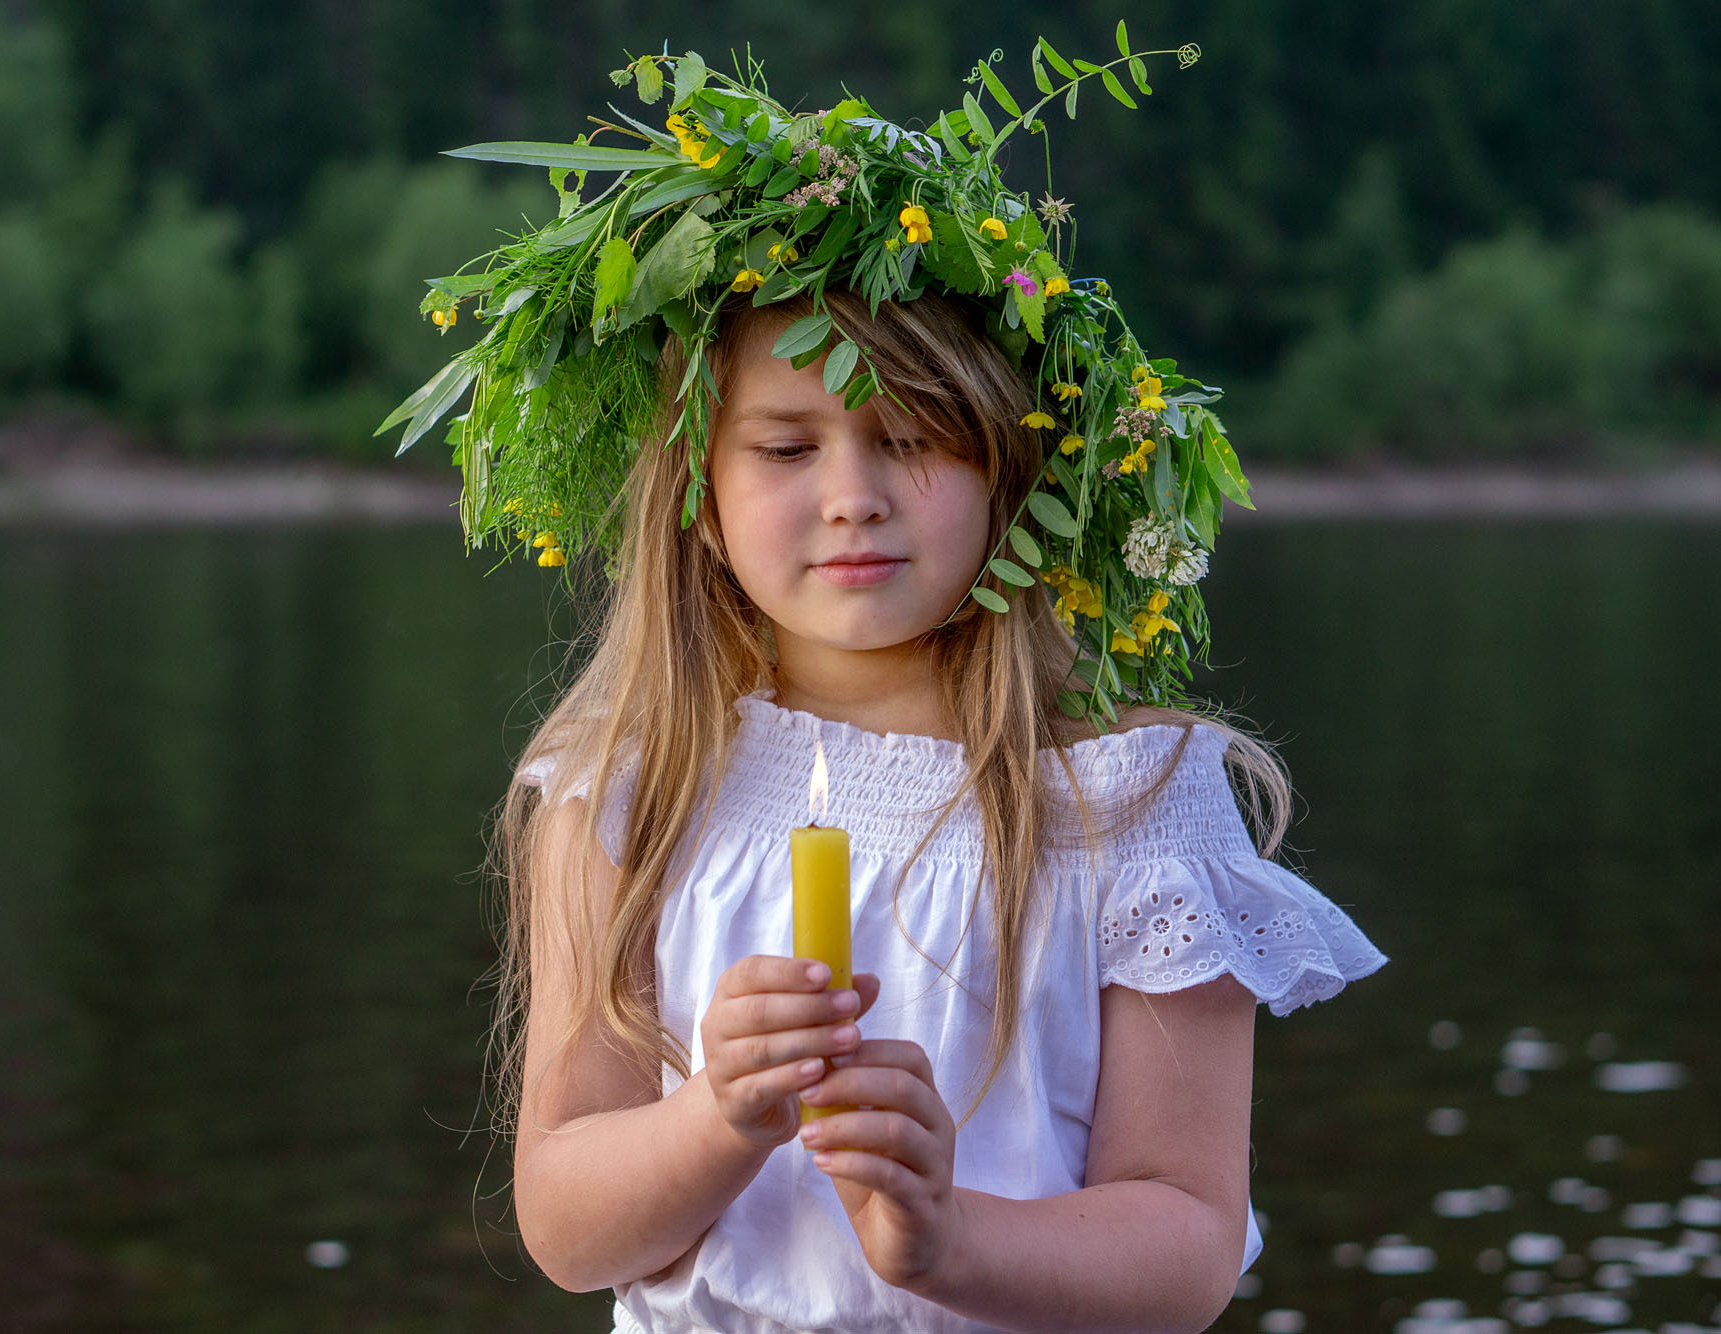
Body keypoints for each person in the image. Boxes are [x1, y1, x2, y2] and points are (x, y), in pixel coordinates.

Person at [385, 37, 1387, 1333]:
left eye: (910, 437)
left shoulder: (1126, 800)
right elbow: (570, 1229)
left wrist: (950, 1236)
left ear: (1010, 474)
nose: (852, 493)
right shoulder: (628, 783)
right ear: (696, 493)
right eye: (788, 443)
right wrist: (717, 1115)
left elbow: (1184, 1243)